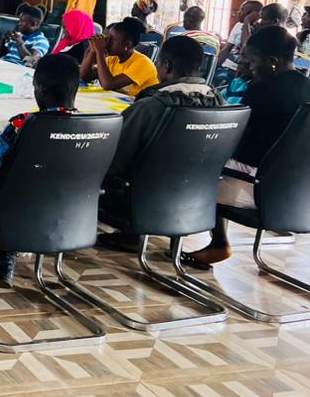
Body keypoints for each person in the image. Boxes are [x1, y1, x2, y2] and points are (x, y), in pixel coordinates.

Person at [185, 26, 310, 267]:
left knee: (199, 165)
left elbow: (237, 140)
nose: (248, 67)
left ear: (272, 61)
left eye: (252, 61)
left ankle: (217, 242)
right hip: (307, 193)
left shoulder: (261, 90)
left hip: (261, 190)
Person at [97, 36, 228, 250]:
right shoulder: (221, 104)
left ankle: (129, 233)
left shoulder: (152, 106)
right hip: (200, 199)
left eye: (158, 63)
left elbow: (114, 159)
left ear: (166, 65)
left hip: (142, 200)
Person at [0, 53, 81, 287]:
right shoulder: (96, 127)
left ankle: (2, 259)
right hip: (73, 219)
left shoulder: (23, 125)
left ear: (40, 89)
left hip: (12, 221)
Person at [80, 17, 160, 97]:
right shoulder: (113, 59)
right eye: (108, 38)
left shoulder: (143, 63)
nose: (107, 43)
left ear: (128, 44)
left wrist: (99, 51)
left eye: (112, 39)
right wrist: (93, 50)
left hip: (142, 106)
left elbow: (108, 84)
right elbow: (84, 76)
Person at [216, 0, 263, 81]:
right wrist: (214, 67)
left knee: (221, 79)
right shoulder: (238, 26)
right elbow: (226, 49)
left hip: (240, 70)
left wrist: (247, 20)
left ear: (254, 14)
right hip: (226, 66)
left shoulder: (259, 30)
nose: (239, 12)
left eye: (242, 10)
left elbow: (246, 45)